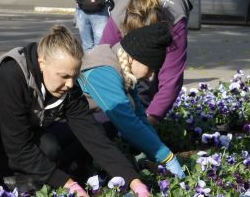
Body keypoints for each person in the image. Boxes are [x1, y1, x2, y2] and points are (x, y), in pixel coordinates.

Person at [0, 25, 150, 197]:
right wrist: (69, 184)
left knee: (49, 147)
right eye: (64, 76)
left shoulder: (69, 88)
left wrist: (134, 181)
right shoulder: (12, 74)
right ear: (42, 62)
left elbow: (94, 138)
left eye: (74, 75)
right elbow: (18, 147)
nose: (71, 84)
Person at [79, 22, 185, 179]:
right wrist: (167, 157)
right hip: (61, 131)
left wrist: (159, 152)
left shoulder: (125, 72)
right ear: (133, 57)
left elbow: (140, 117)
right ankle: (79, 168)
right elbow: (127, 122)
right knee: (109, 119)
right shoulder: (103, 70)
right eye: (150, 68)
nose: (150, 76)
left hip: (83, 130)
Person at [100, 0, 190, 126]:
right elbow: (102, 66)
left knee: (148, 83)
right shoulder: (118, 21)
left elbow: (171, 81)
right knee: (127, 74)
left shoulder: (174, 26)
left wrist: (150, 121)